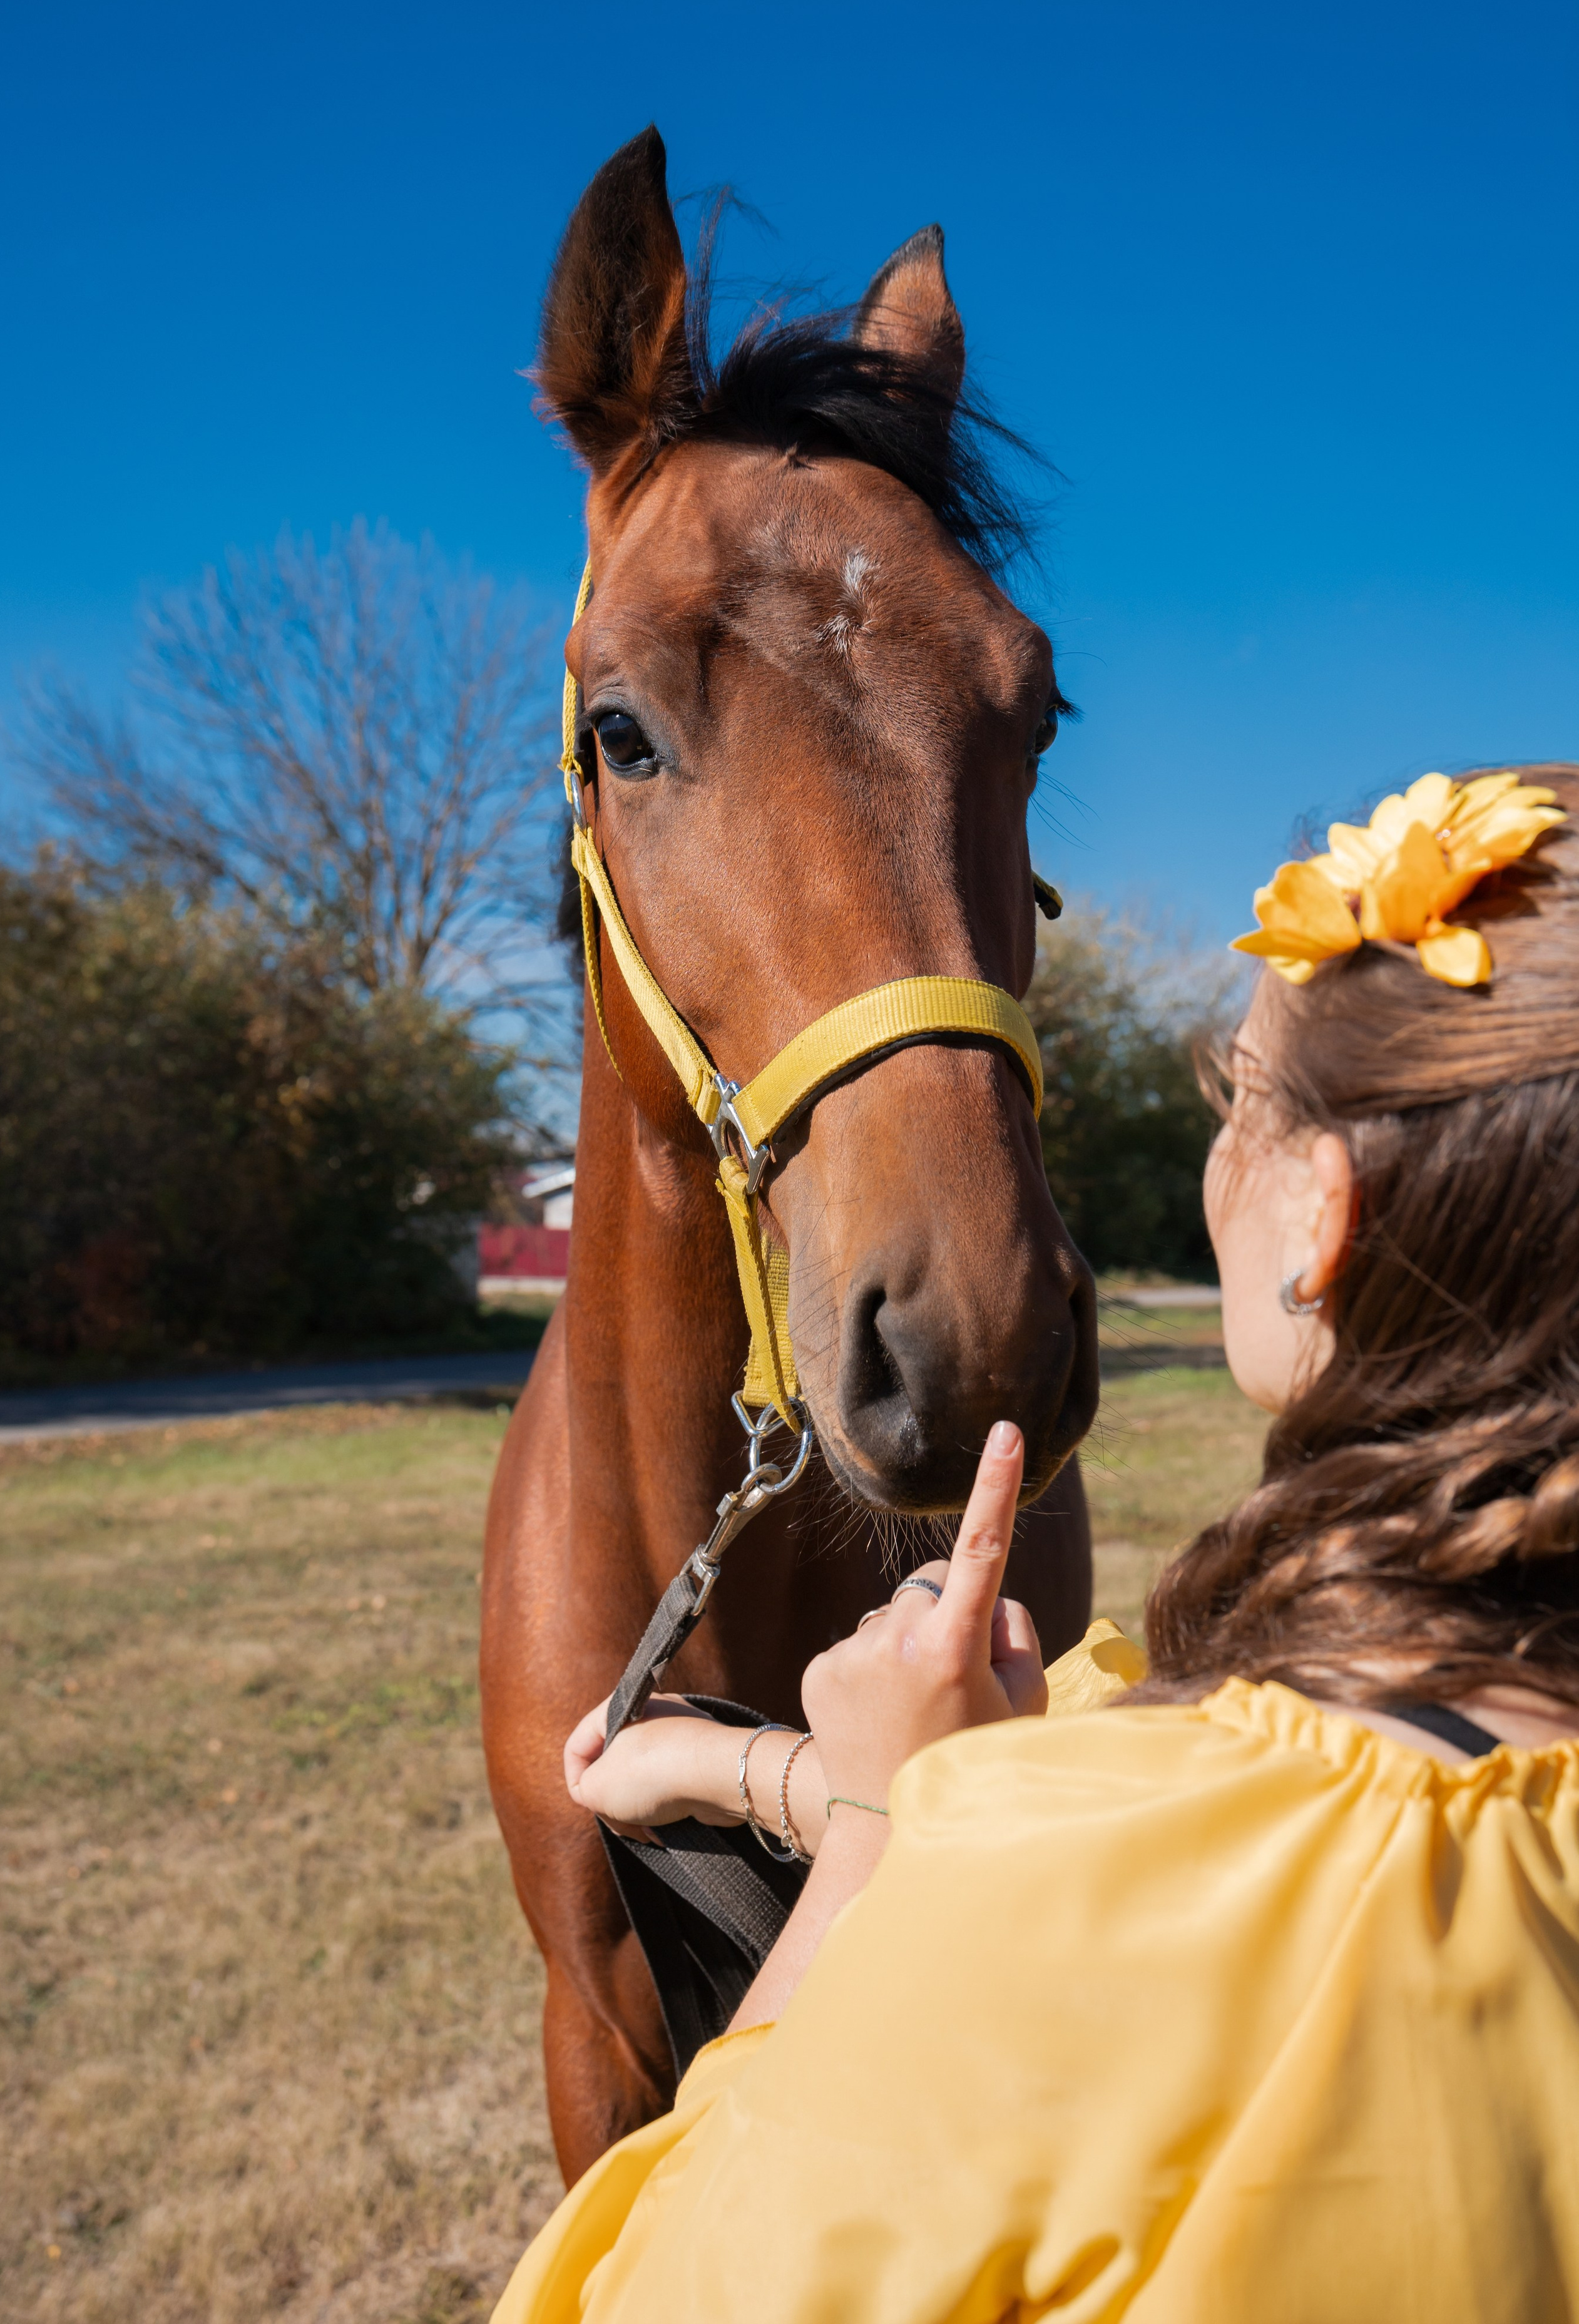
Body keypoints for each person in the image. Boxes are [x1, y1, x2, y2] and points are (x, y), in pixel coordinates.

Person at [494, 766, 1579, 2322]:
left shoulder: (1071, 1905)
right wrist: (755, 1774)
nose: (1212, 1158)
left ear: (1317, 1221)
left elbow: (660, 2287)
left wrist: (876, 1834)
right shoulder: (1303, 1778)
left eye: (1234, 1103)